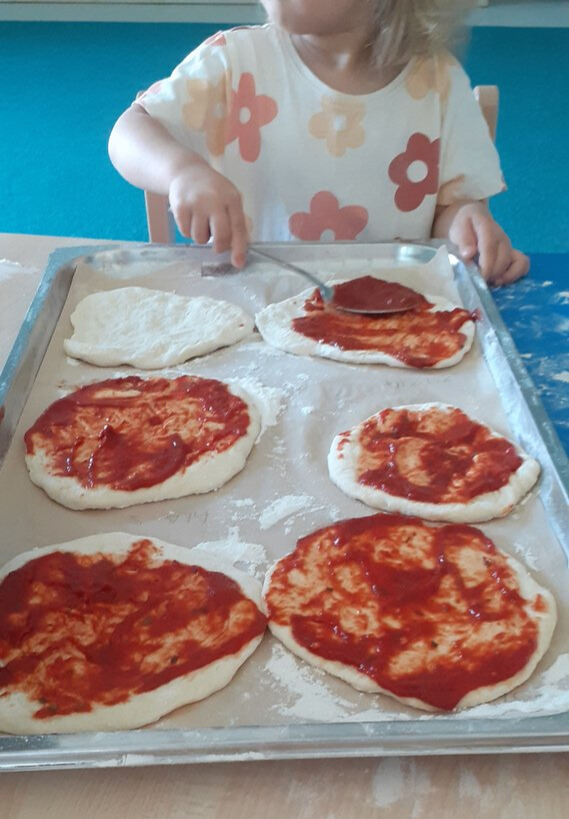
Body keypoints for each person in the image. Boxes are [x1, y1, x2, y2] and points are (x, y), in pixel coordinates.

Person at [108, 0, 529, 286]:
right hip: (247, 311)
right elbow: (129, 131)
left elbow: (450, 209)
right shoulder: (233, 60)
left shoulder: (438, 83)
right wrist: (181, 171)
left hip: (388, 320)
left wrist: (466, 227)